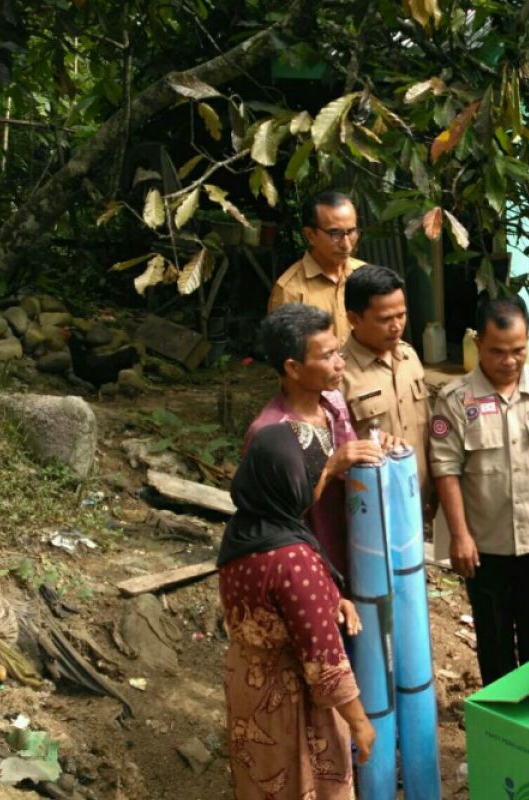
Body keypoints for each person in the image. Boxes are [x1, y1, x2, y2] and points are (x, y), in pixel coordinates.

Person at [218, 421, 376, 799]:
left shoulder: (246, 530)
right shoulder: (292, 559)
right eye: (317, 475)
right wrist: (359, 722)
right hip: (290, 703)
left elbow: (271, 604)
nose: (320, 483)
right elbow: (323, 662)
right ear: (291, 483)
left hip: (248, 690)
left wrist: (330, 599)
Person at [429, 297, 529, 685]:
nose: (510, 360)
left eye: (519, 350)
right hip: (485, 548)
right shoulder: (456, 400)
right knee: (494, 643)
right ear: (478, 343)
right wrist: (459, 536)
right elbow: (446, 470)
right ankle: (499, 730)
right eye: (498, 351)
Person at [246, 303, 388, 578]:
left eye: (337, 351)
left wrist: (374, 445)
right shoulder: (271, 433)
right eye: (327, 356)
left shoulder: (333, 402)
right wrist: (332, 467)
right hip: (308, 570)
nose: (340, 363)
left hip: (356, 554)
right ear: (294, 368)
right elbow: (276, 520)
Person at [341, 265, 432, 495]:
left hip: (417, 496)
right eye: (385, 319)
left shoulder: (409, 356)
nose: (397, 326)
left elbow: (427, 432)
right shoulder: (339, 374)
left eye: (401, 315)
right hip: (371, 505)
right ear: (354, 318)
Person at [268, 191, 366, 346]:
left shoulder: (364, 274)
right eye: (335, 233)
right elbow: (287, 358)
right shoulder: (290, 290)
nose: (346, 244)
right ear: (310, 235)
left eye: (351, 231)